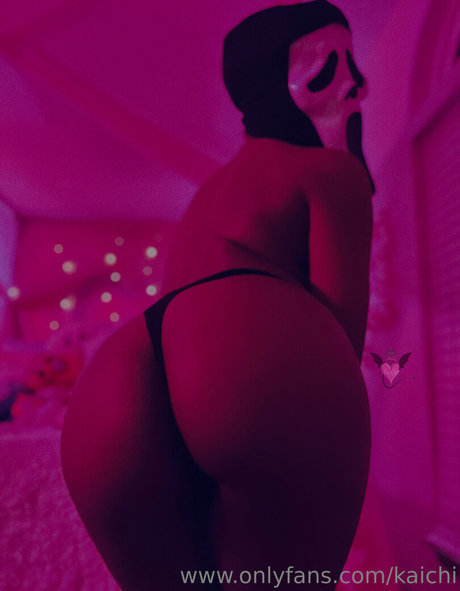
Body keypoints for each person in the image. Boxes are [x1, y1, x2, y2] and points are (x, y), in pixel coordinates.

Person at [61, 2, 373, 589]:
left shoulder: (209, 191)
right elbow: (341, 336)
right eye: (330, 67)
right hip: (251, 354)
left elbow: (182, 307)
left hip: (120, 373)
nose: (359, 83)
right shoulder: (330, 174)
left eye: (352, 61)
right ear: (274, 84)